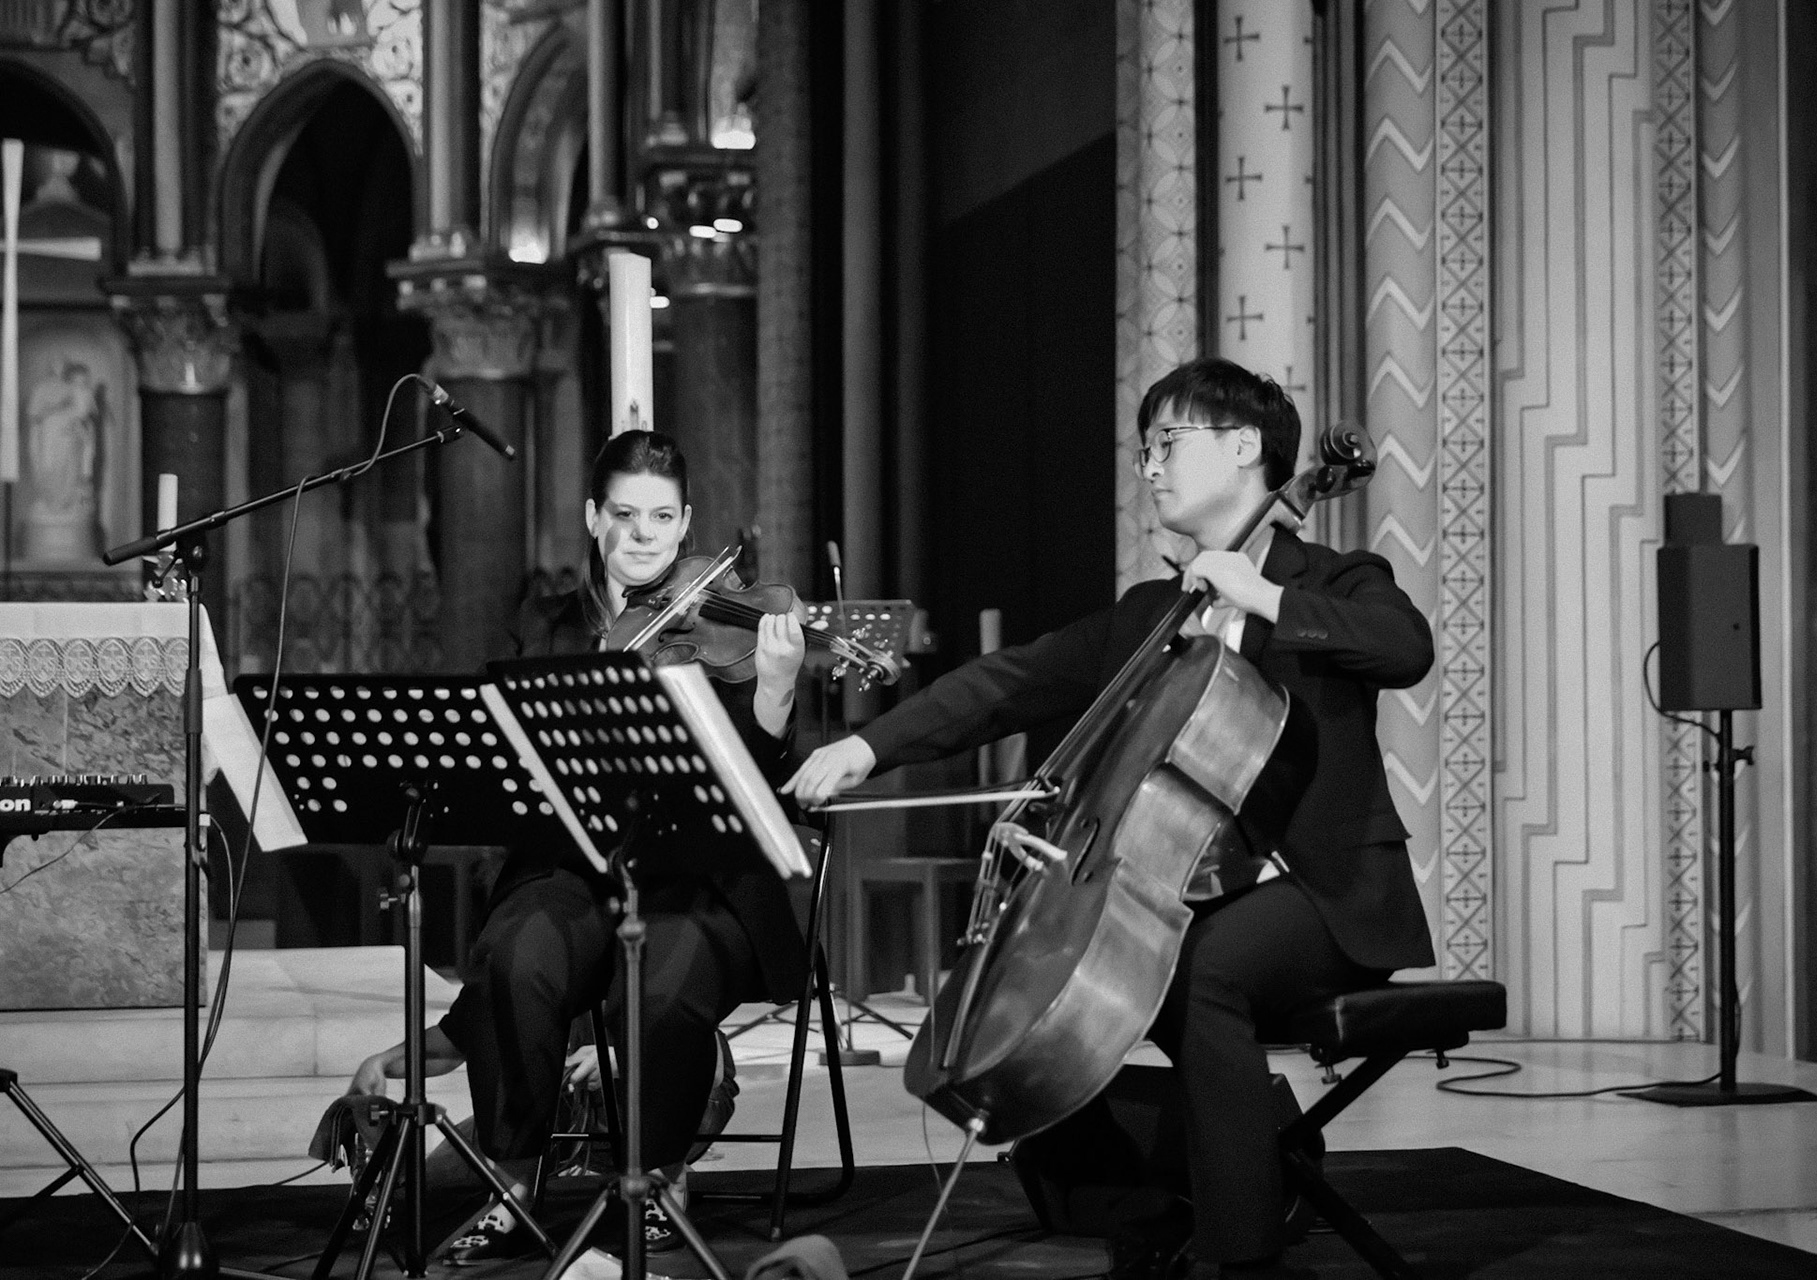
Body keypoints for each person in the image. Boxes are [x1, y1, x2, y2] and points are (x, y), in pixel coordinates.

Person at [785, 357, 1435, 1280]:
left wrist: (1264, 598)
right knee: (1073, 994)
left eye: (1168, 443)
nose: (1152, 468)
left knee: (1197, 973)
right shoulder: (1151, 614)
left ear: (1246, 448)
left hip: (1326, 895)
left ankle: (1237, 1259)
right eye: (1146, 452)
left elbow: (1406, 648)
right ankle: (1202, 1179)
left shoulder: (1335, 578)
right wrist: (868, 749)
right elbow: (1007, 683)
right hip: (1193, 891)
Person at [349, 430, 811, 1263]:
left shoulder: (727, 627)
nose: (644, 536)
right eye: (626, 515)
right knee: (516, 951)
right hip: (572, 867)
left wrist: (775, 692)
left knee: (664, 985)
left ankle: (661, 1178)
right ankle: (512, 1183)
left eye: (663, 518)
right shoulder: (550, 626)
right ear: (594, 518)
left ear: (686, 523)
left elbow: (757, 781)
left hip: (698, 882)